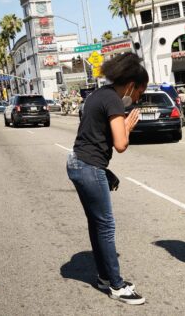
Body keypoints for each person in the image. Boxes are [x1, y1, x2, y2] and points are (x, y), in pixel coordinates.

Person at [66, 52, 148, 305]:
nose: (136, 99)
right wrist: (128, 126)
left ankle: (103, 277)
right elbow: (120, 144)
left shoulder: (98, 94)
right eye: (139, 94)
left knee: (96, 223)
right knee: (106, 226)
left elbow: (94, 136)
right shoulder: (113, 100)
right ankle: (116, 285)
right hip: (89, 167)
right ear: (131, 85)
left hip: (79, 163)